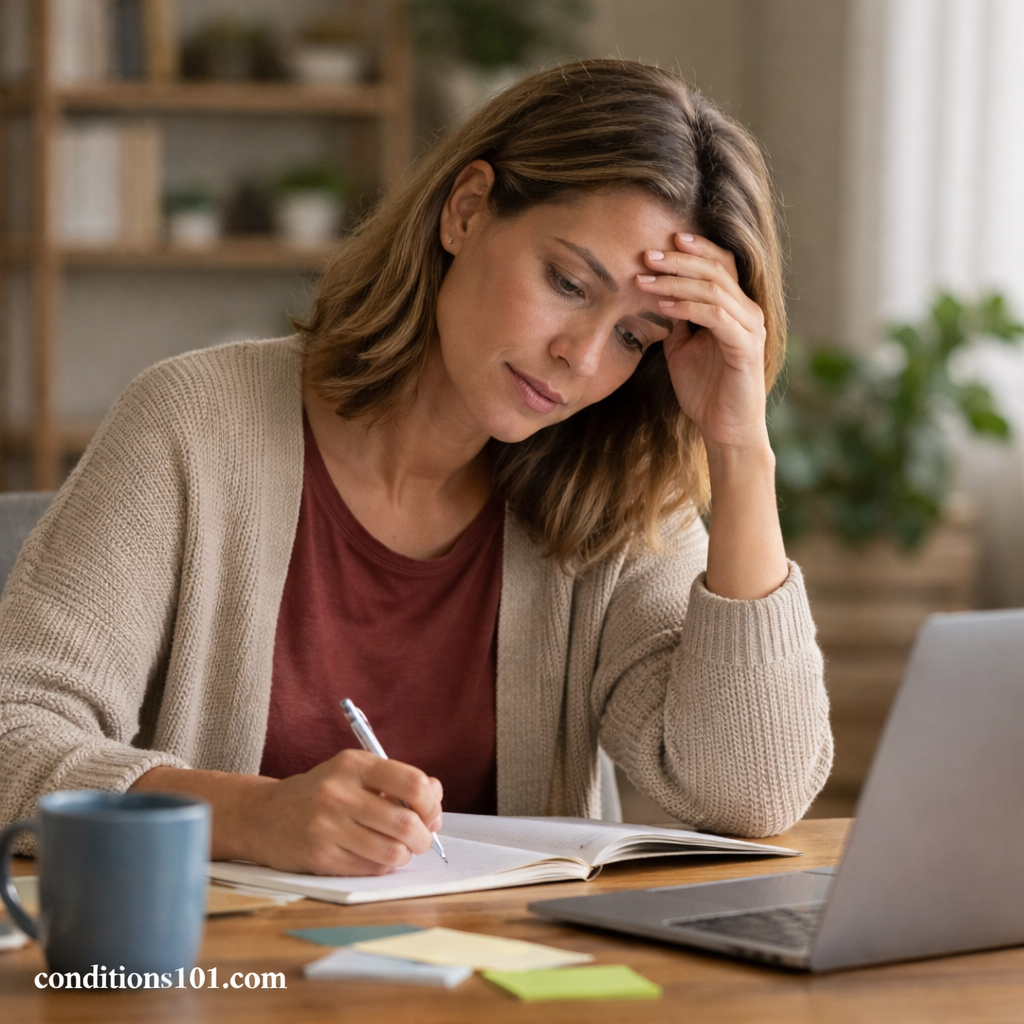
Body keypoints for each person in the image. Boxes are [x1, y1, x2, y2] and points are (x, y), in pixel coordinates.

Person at [0, 60, 831, 876]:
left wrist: (739, 450)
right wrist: (251, 815)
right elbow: (13, 733)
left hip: (503, 992)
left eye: (634, 337)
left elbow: (750, 796)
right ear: (466, 211)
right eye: (569, 282)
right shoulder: (193, 426)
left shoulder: (613, 498)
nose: (580, 357)